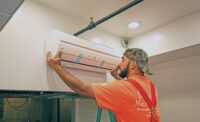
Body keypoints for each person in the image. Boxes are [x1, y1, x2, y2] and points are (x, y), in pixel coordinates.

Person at [46, 48, 160, 122]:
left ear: (133, 64)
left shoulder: (121, 88)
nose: (119, 65)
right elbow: (133, 91)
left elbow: (82, 89)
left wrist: (57, 67)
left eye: (123, 60)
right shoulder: (151, 86)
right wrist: (117, 77)